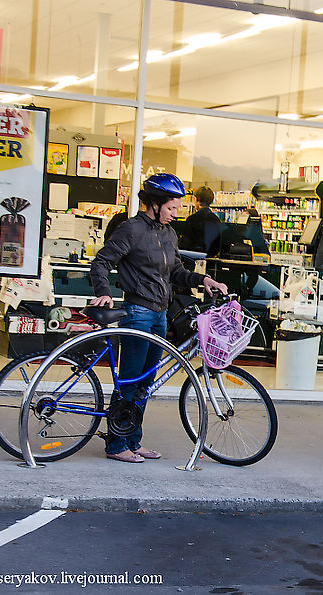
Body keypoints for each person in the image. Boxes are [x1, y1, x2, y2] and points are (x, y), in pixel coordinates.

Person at [89, 173, 228, 463]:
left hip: (159, 315)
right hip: (138, 313)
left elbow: (176, 272)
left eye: (177, 208)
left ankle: (133, 440)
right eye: (171, 208)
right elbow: (102, 262)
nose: (175, 214)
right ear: (154, 203)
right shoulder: (131, 230)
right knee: (130, 380)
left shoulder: (167, 233)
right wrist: (103, 292)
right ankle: (116, 445)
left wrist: (203, 279)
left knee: (146, 383)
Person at [179, 185, 223, 257]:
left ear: (196, 199)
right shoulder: (216, 220)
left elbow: (184, 244)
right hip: (210, 260)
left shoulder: (192, 219)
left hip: (193, 258)